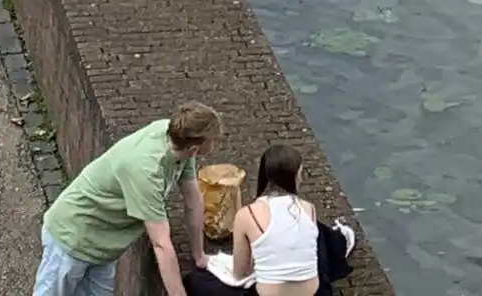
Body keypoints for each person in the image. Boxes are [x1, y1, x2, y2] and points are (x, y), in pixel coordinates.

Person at [32, 103, 220, 296]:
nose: (216, 143)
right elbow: (161, 244)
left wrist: (199, 256)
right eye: (213, 140)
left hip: (102, 247)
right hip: (71, 238)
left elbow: (193, 200)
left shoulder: (176, 140)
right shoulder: (147, 172)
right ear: (195, 148)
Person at [230, 146, 319, 296]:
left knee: (198, 281)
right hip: (312, 292)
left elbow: (240, 272)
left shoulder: (246, 214)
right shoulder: (309, 209)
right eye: (300, 174)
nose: (302, 179)